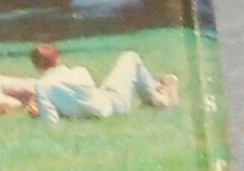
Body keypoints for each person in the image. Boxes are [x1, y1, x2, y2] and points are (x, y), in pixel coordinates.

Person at [28, 43, 179, 125]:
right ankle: (159, 99)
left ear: (37, 66)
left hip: (99, 111)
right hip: (114, 105)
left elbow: (51, 122)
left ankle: (156, 89)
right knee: (130, 57)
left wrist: (38, 113)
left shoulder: (42, 86)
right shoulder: (80, 72)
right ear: (58, 59)